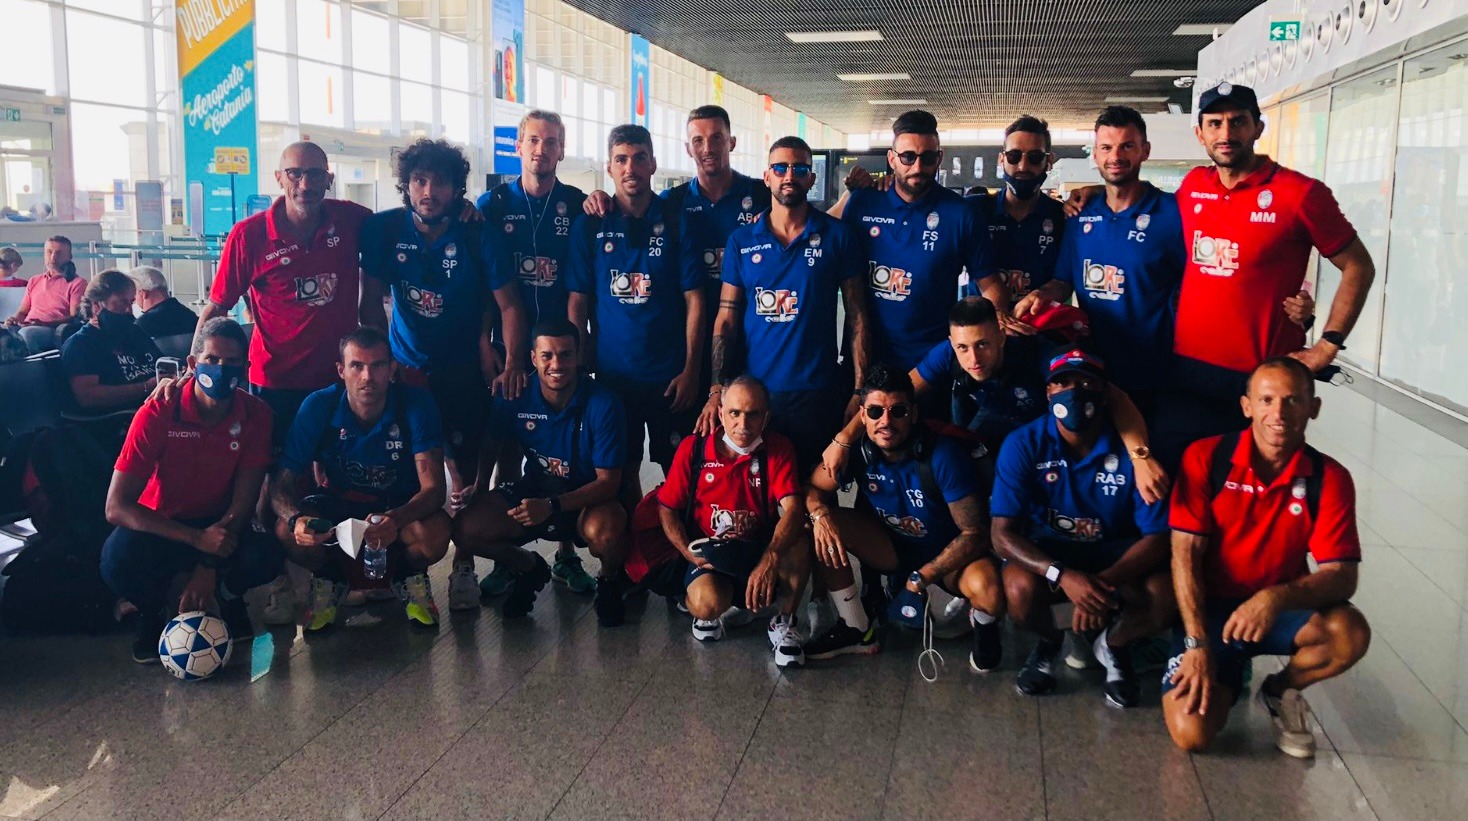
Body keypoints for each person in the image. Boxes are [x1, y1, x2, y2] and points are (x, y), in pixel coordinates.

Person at [1163, 357, 1370, 758]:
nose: (1278, 413)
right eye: (1267, 399)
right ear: (1246, 406)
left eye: (1293, 401)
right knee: (1193, 734)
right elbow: (1184, 556)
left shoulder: (1330, 477)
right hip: (1209, 615)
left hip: (1278, 613)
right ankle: (1225, 668)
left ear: (1314, 408)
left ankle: (1280, 691)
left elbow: (1342, 576)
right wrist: (1196, 642)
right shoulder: (1207, 458)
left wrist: (1272, 599)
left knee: (1350, 633)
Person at [1159, 83, 1374, 465]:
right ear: (1200, 134)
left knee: (1252, 494)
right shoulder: (1193, 186)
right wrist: (1093, 190)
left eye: (1238, 122)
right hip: (1187, 372)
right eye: (1215, 124)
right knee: (1185, 489)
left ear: (1258, 127)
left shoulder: (1300, 193)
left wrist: (1327, 346)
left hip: (1263, 378)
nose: (1226, 134)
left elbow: (1358, 265)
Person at [821, 297, 1168, 504]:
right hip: (980, 452)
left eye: (983, 344)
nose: (973, 358)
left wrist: (1141, 457)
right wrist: (844, 439)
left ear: (1002, 335)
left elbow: (1113, 398)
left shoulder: (1038, 355)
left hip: (1040, 456)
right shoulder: (948, 355)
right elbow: (891, 397)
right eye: (963, 347)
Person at [992, 348, 1173, 707]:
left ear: (1105, 392)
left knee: (1165, 595)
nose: (1075, 391)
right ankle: (1049, 642)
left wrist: (1100, 586)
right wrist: (1063, 576)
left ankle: (1115, 646)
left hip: (1116, 553)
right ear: (1047, 392)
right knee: (1017, 588)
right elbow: (1001, 535)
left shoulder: (1136, 452)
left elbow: (1158, 538)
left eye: (1087, 382)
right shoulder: (1023, 444)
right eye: (1063, 382)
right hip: (1052, 551)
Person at [99, 318, 281, 663]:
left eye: (232, 362)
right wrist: (194, 540)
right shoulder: (158, 411)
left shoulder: (257, 415)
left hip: (220, 523)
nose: (222, 369)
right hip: (161, 522)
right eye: (212, 360)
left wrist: (208, 564)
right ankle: (151, 612)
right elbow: (117, 507)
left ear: (245, 366)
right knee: (116, 561)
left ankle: (228, 596)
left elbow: (244, 501)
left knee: (267, 554)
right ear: (193, 365)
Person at [361, 137, 527, 513]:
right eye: (420, 181)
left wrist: (514, 360)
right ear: (406, 184)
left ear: (457, 189)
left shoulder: (477, 233)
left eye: (440, 183)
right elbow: (369, 305)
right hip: (406, 368)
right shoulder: (383, 230)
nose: (429, 191)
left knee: (464, 472)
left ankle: (464, 560)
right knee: (409, 468)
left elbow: (510, 305)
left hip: (463, 368)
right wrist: (384, 363)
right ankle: (409, 559)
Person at [802, 365, 1006, 671]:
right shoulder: (856, 451)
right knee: (823, 526)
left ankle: (985, 629)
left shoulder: (944, 456)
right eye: (874, 412)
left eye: (897, 411)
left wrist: (923, 576)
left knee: (988, 587)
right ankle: (856, 628)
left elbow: (975, 533)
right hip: (892, 547)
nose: (885, 421)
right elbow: (812, 489)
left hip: (948, 555)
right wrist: (820, 514)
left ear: (912, 412)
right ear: (863, 415)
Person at [197, 141, 387, 455]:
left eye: (314, 174)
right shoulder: (248, 236)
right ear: (279, 178)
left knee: (334, 468)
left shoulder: (353, 220)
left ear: (328, 178)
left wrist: (461, 211)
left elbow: (402, 224)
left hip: (338, 377)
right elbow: (217, 308)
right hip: (274, 381)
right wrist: (194, 373)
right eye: (294, 173)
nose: (305, 184)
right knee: (273, 470)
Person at [476, 111, 594, 597]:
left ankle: (566, 555)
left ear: (562, 150)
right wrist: (490, 345)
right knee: (508, 445)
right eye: (532, 141)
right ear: (518, 148)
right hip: (510, 352)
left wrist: (575, 350)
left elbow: (576, 287)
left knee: (562, 448)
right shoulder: (490, 204)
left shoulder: (578, 205)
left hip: (559, 351)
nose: (540, 150)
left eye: (550, 142)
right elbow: (484, 285)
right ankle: (510, 551)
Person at [702, 135, 871, 474]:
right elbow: (726, 320)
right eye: (780, 167)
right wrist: (717, 387)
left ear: (811, 177)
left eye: (799, 168)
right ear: (767, 177)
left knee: (817, 493)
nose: (789, 175)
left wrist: (858, 390)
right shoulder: (742, 241)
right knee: (755, 493)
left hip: (817, 394)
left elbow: (858, 316)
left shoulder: (837, 236)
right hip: (756, 396)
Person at [448, 320, 629, 626]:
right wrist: (479, 486)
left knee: (609, 531)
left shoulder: (604, 403)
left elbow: (608, 483)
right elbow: (492, 442)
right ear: (533, 358)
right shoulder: (515, 394)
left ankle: (610, 580)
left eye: (566, 355)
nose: (556, 364)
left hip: (584, 500)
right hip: (534, 491)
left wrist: (552, 506)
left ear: (579, 355)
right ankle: (528, 566)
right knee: (465, 528)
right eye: (547, 356)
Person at [270, 327, 450, 630]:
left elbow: (434, 489)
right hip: (337, 506)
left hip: (398, 507)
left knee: (435, 534)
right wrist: (295, 519)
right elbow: (281, 485)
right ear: (341, 370)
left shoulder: (415, 405)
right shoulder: (318, 406)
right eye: (357, 366)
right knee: (286, 531)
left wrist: (396, 518)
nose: (368, 377)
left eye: (378, 365)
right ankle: (329, 581)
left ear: (392, 369)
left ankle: (409, 579)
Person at [567, 124, 704, 504]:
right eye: (621, 159)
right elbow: (576, 304)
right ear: (608, 167)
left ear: (653, 164)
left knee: (681, 474)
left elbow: (696, 301)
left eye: (639, 158)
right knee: (621, 475)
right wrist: (579, 369)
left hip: (670, 379)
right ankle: (629, 562)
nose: (631, 168)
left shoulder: (677, 223)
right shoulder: (591, 224)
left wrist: (691, 370)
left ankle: (681, 559)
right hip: (613, 381)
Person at [1015, 106, 1185, 411]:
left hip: (1157, 374)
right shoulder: (1080, 216)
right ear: (1095, 154)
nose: (1115, 156)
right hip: (1091, 372)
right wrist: (1041, 294)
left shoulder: (1174, 214)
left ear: (1144, 151)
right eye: (1106, 147)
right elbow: (1063, 281)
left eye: (1126, 146)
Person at [656, 375, 809, 666]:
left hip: (757, 548)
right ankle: (711, 605)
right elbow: (667, 508)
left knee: (800, 539)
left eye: (753, 414)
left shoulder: (778, 448)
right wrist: (688, 551)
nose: (743, 425)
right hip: (711, 552)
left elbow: (793, 508)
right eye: (735, 413)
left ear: (766, 417)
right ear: (721, 412)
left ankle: (784, 621)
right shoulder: (694, 449)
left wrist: (770, 558)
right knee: (707, 603)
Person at [829, 110, 1000, 370]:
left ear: (939, 158)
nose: (917, 167)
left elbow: (990, 286)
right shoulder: (863, 202)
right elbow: (815, 233)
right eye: (908, 157)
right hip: (866, 362)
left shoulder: (961, 214)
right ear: (892, 158)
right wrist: (766, 220)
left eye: (927, 157)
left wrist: (993, 333)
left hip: (933, 362)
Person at [982, 116, 1067, 312]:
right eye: (1014, 156)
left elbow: (1065, 281)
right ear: (1001, 159)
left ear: (1049, 161)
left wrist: (1041, 295)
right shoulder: (976, 211)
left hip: (1041, 331)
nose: (1023, 166)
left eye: (1035, 157)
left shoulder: (1062, 217)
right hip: (983, 335)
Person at [60, 269, 161, 415]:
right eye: (121, 302)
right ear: (96, 305)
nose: (128, 310)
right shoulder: (81, 344)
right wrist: (146, 387)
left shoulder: (134, 333)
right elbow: (87, 396)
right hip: (118, 420)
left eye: (131, 302)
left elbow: (161, 364)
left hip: (154, 409)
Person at [3, 235, 85, 353]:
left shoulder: (77, 283)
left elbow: (74, 317)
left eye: (59, 253)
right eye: (49, 252)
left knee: (27, 334)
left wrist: (45, 323)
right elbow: (22, 312)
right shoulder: (34, 280)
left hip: (53, 330)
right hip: (26, 326)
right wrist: (13, 320)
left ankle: (33, 370)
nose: (53, 257)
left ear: (69, 257)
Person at [128, 265, 199, 339]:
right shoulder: (191, 316)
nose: (133, 301)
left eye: (133, 296)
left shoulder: (143, 324)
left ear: (142, 294)